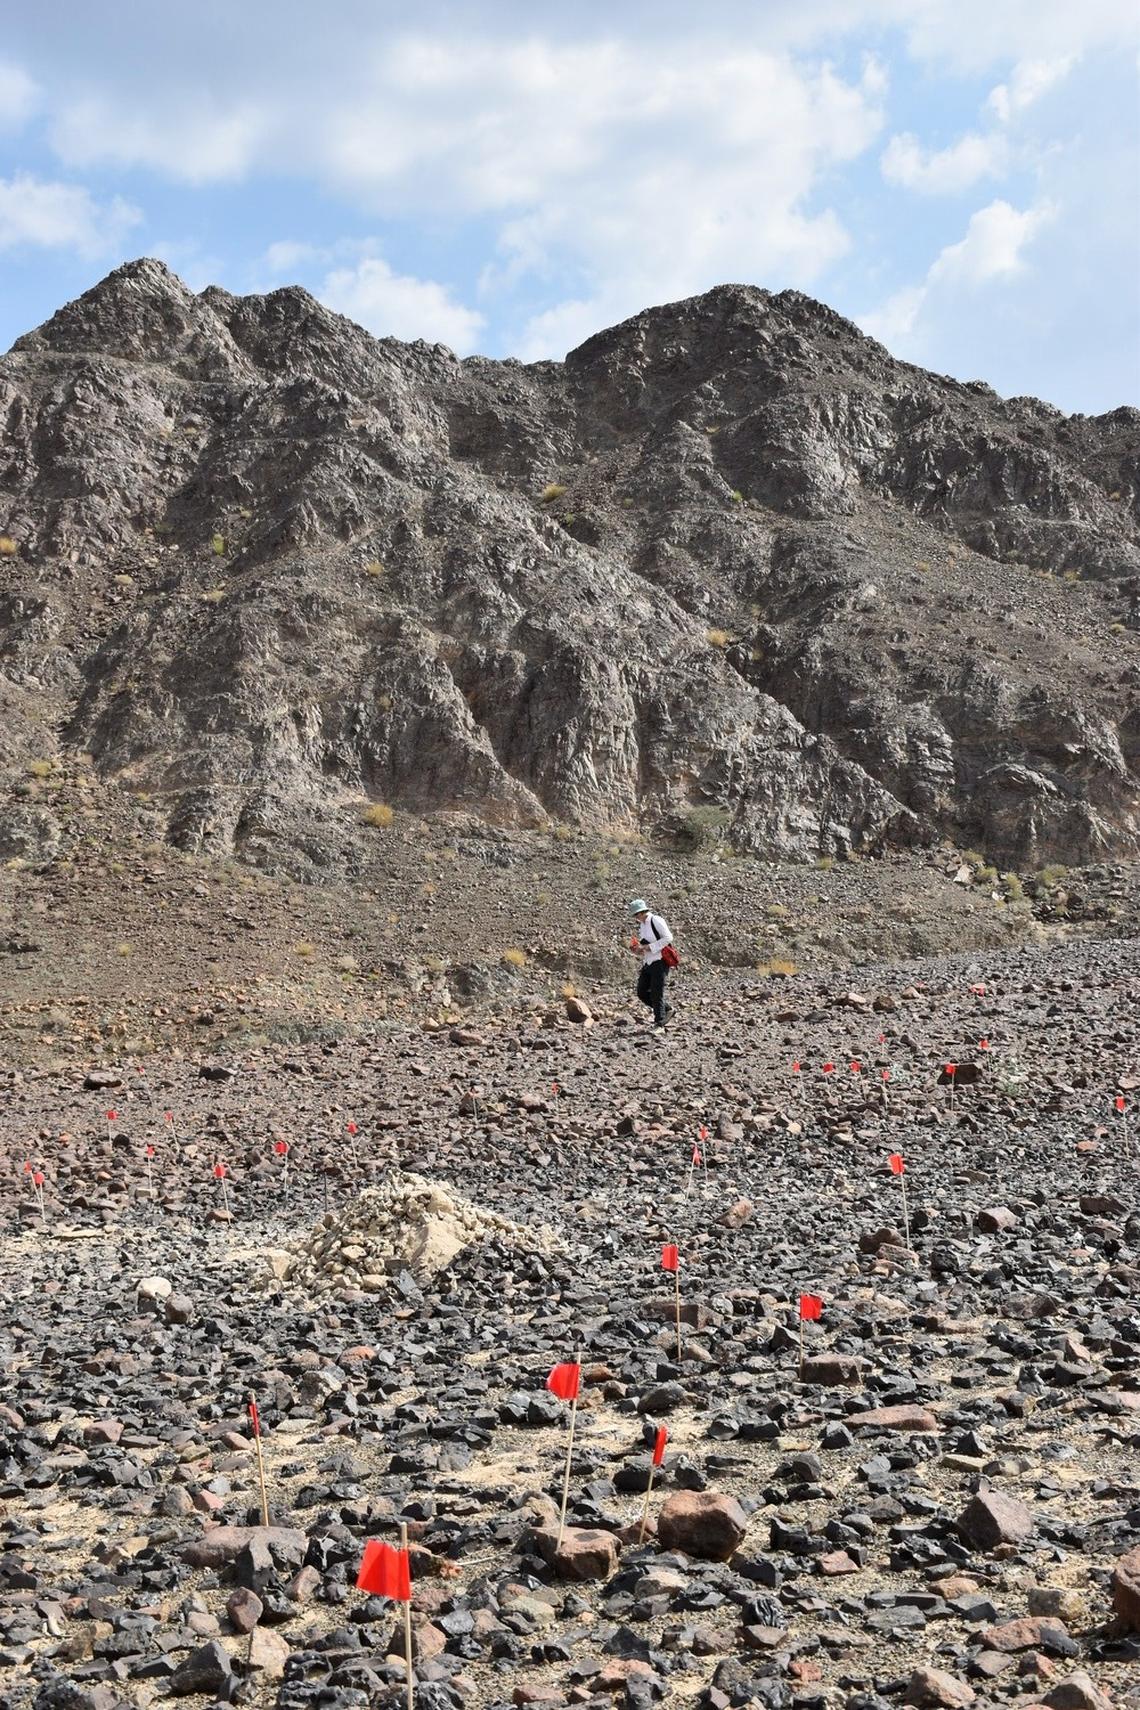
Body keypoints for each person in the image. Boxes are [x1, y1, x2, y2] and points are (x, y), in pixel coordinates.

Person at [628, 897, 674, 1029]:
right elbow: (645, 942)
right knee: (641, 992)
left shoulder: (656, 920)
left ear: (642, 912)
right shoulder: (643, 925)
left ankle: (659, 1024)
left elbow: (668, 938)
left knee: (656, 993)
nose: (636, 918)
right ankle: (668, 1009)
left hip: (659, 961)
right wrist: (638, 949)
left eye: (636, 915)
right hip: (649, 961)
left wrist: (649, 947)